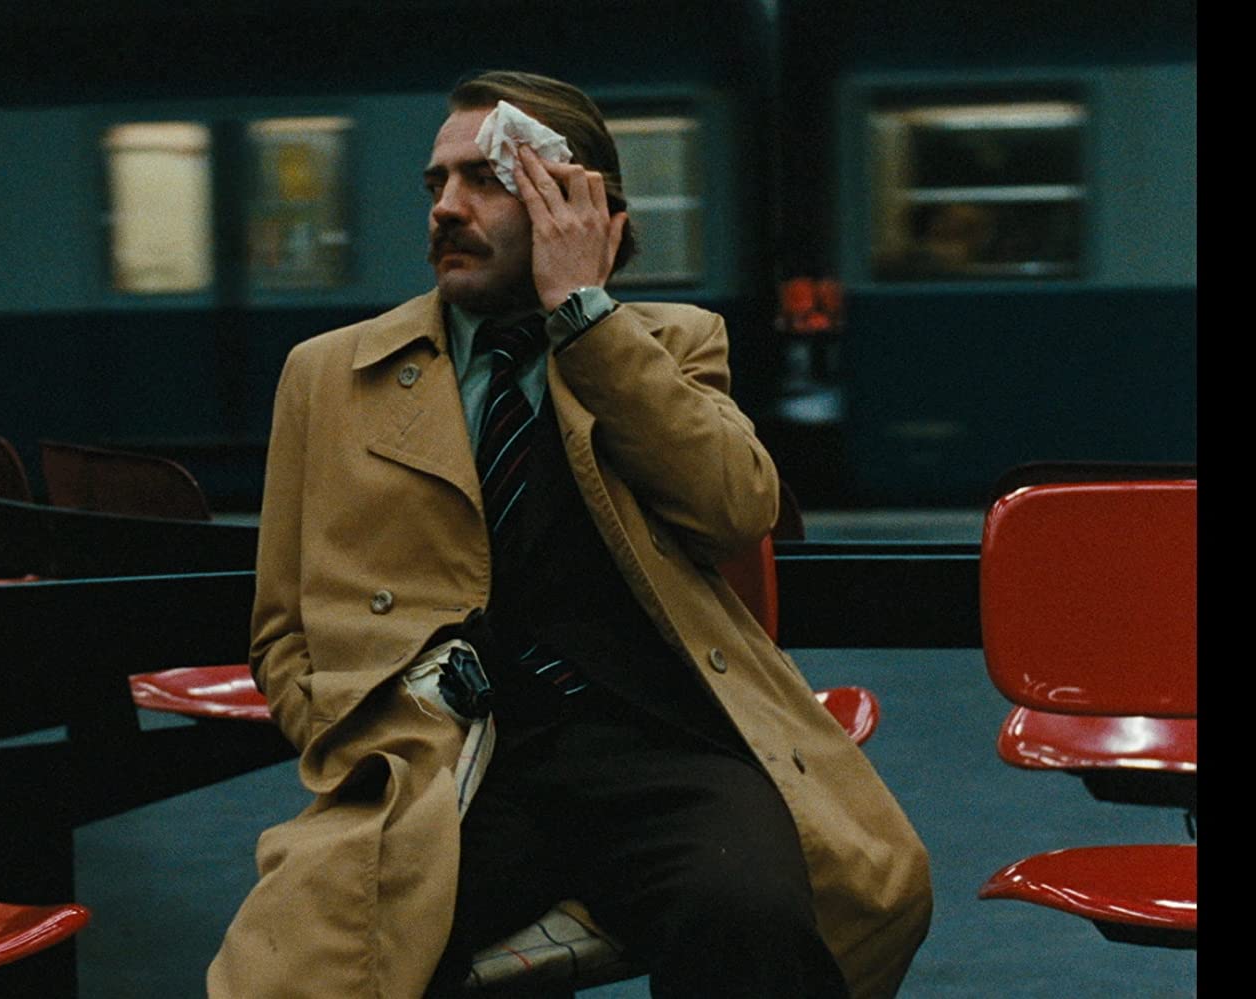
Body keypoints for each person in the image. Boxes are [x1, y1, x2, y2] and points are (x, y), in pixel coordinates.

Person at [208, 70, 931, 999]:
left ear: (580, 208)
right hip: (439, 764)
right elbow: (281, 627)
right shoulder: (329, 375)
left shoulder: (669, 344)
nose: (446, 207)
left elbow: (734, 507)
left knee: (751, 919)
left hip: (660, 743)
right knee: (319, 967)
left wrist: (583, 314)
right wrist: (350, 734)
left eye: (486, 180)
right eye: (437, 183)